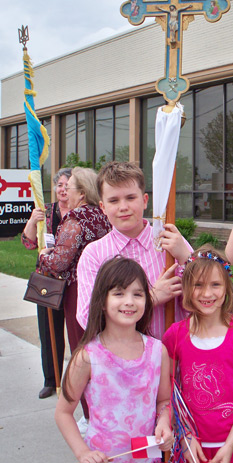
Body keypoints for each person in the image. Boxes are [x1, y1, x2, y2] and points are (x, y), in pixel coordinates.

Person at [55, 256, 174, 463]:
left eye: (137, 294)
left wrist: (164, 421)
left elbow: (164, 400)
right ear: (102, 301)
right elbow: (63, 413)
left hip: (148, 458)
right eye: (119, 293)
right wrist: (83, 452)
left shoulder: (158, 351)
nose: (129, 301)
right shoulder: (87, 357)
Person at [163, 246, 233, 463]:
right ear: (187, 288)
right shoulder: (175, 335)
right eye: (198, 285)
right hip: (193, 450)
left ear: (227, 287)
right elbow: (168, 392)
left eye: (215, 285)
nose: (207, 294)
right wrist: (185, 436)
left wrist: (230, 445)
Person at [77, 161, 192, 341]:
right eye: (114, 200)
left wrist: (187, 259)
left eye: (131, 198)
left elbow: (206, 299)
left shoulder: (171, 244)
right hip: (122, 361)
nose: (123, 207)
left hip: (174, 356)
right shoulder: (94, 254)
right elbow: (87, 317)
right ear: (103, 207)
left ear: (145, 200)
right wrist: (150, 298)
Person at [39, 167, 111, 426]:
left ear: (81, 193)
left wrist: (44, 256)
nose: (65, 191)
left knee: (83, 352)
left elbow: (59, 263)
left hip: (79, 293)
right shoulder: (104, 216)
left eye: (69, 188)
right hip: (107, 291)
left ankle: (92, 415)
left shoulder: (75, 220)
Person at [21, 167, 72, 399]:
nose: (63, 189)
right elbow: (28, 243)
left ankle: (77, 382)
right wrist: (33, 220)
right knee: (48, 333)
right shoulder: (46, 211)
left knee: (76, 333)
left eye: (68, 185)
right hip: (48, 282)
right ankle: (51, 380)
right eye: (60, 185)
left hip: (74, 283)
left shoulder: (80, 213)